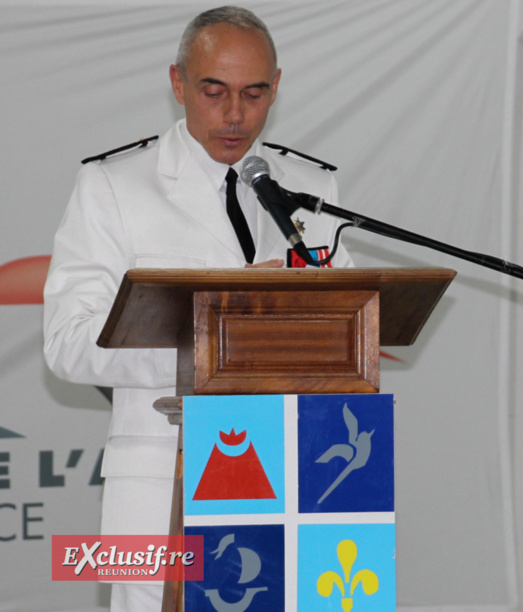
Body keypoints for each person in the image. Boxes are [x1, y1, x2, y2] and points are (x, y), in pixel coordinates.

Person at [43, 6, 352, 611]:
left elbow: (340, 332)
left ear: (276, 88)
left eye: (253, 93)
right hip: (164, 490)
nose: (235, 114)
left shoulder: (310, 190)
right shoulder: (114, 186)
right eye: (214, 91)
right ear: (178, 82)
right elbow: (67, 343)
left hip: (292, 477)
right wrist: (218, 333)